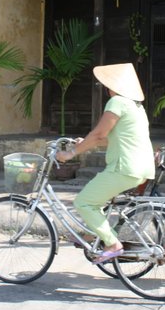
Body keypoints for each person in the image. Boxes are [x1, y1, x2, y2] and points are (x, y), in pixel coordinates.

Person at [56, 63, 155, 264]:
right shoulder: (136, 107)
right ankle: (94, 234)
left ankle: (112, 244)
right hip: (141, 167)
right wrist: (83, 143)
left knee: (84, 202)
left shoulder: (117, 102)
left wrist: (70, 153)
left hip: (124, 167)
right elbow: (112, 138)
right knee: (96, 200)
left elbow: (99, 134)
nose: (105, 88)